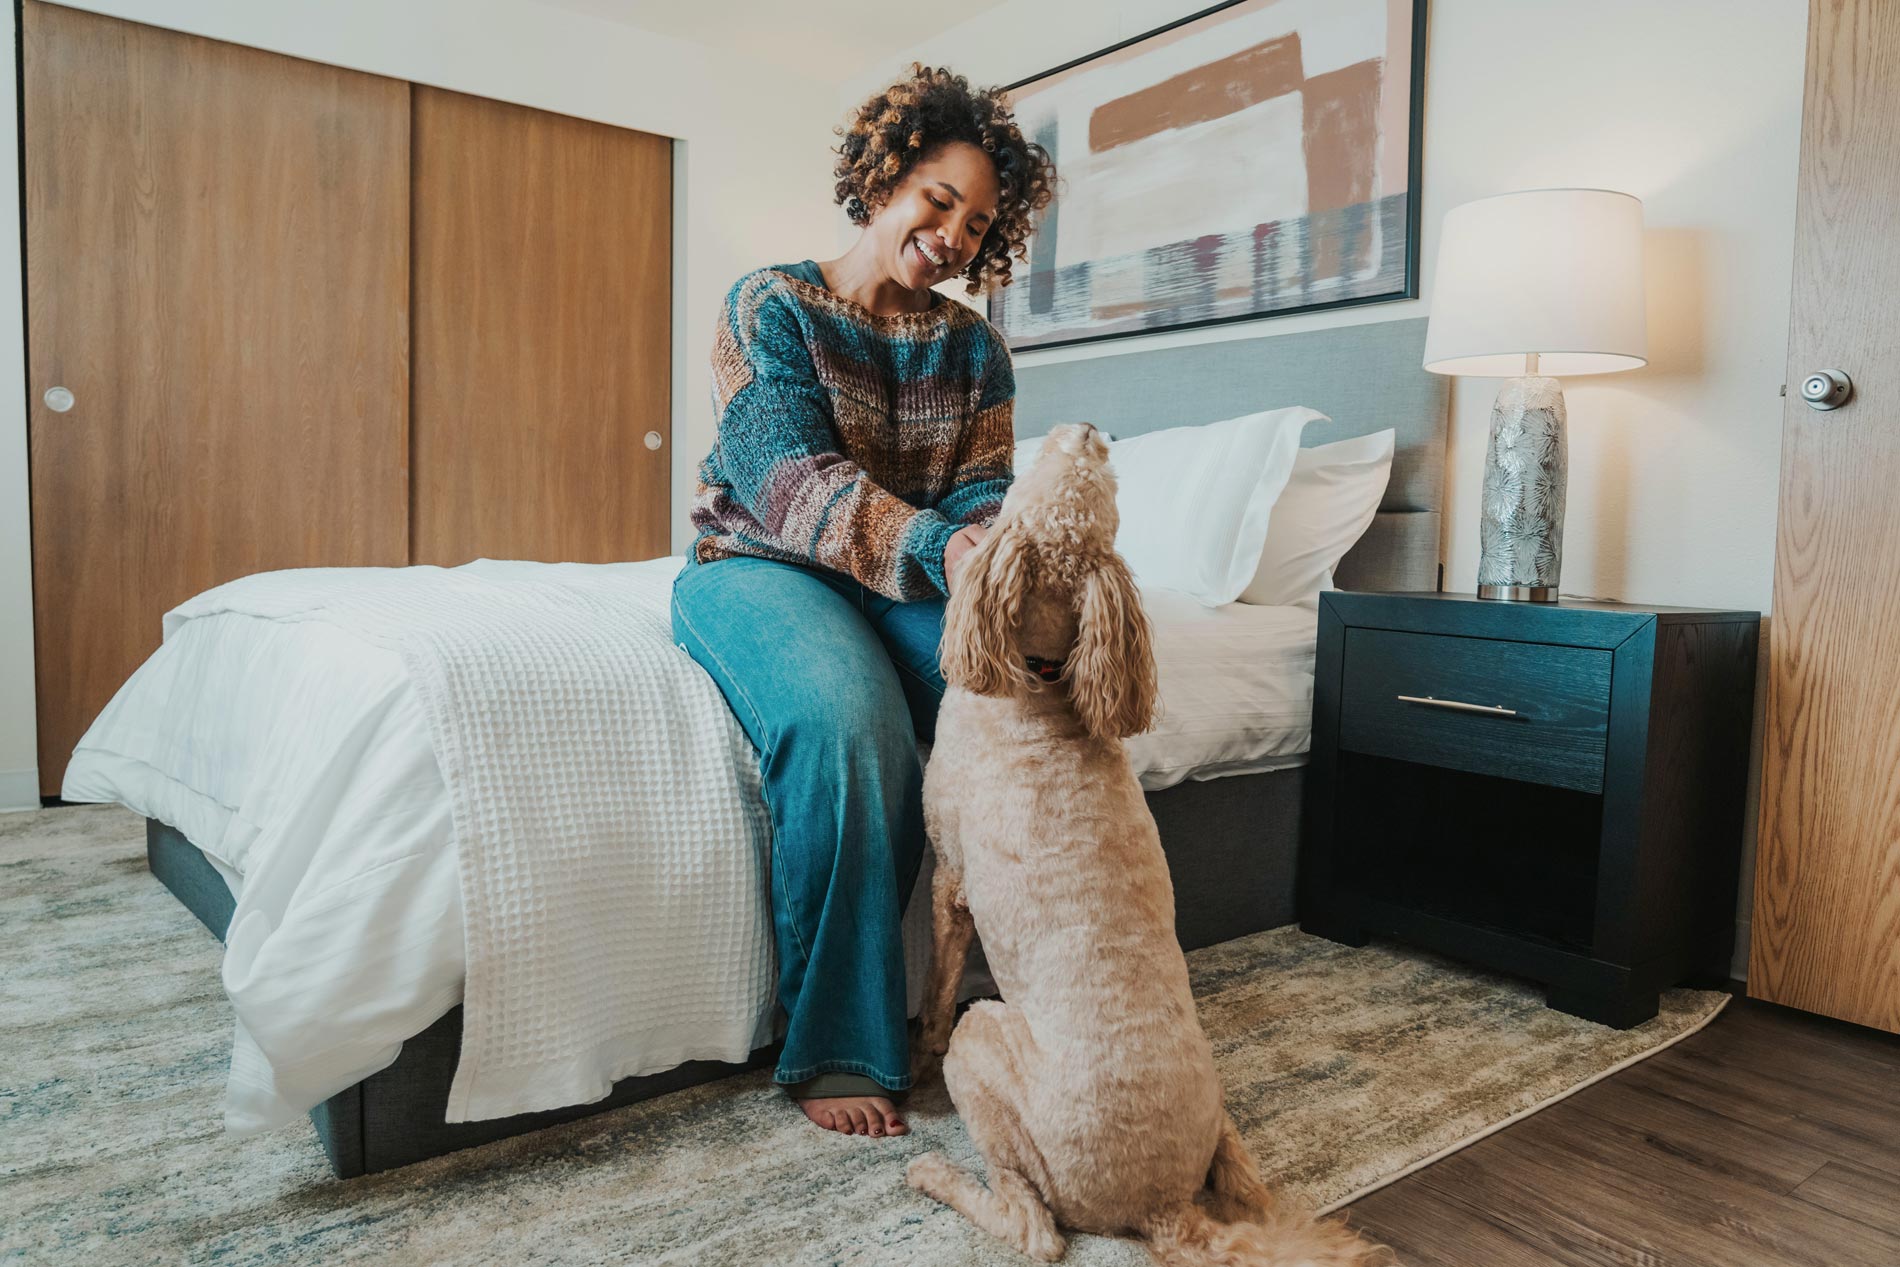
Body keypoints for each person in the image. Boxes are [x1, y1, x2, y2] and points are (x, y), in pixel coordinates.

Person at [671, 64, 1055, 1138]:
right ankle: (837, 1041)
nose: (952, 233)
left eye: (978, 222)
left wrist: (989, 548)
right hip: (758, 567)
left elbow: (983, 492)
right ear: (885, 177)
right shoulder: (769, 305)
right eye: (937, 198)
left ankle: (1059, 1001)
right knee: (850, 725)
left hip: (907, 576)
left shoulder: (975, 349)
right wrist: (953, 546)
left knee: (1018, 707)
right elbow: (794, 489)